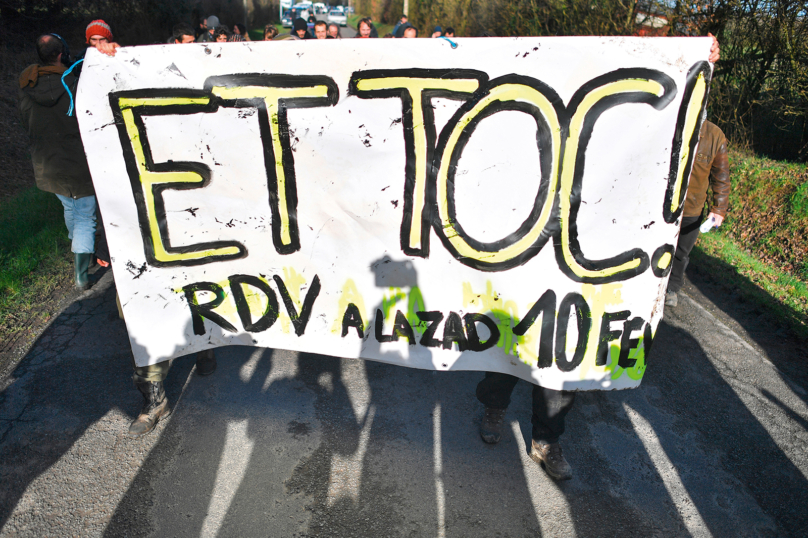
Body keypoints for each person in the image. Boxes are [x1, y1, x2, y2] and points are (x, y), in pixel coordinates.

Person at [476, 35, 723, 482]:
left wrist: (699, 62)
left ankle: (546, 440)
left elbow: (668, 121)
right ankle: (494, 408)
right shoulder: (528, 116)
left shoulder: (625, 128)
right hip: (525, 255)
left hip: (580, 258)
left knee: (562, 357)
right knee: (510, 344)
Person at [19, 35, 97, 290]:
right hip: (78, 162)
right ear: (62, 55)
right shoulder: (75, 83)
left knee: (69, 207)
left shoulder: (27, 85)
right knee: (85, 215)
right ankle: (81, 274)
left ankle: (80, 252)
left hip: (47, 163)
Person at [665, 119, 729, 307]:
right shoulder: (670, 121)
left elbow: (722, 177)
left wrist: (718, 208)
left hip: (692, 208)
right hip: (661, 205)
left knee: (681, 252)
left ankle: (672, 288)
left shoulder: (714, 135)